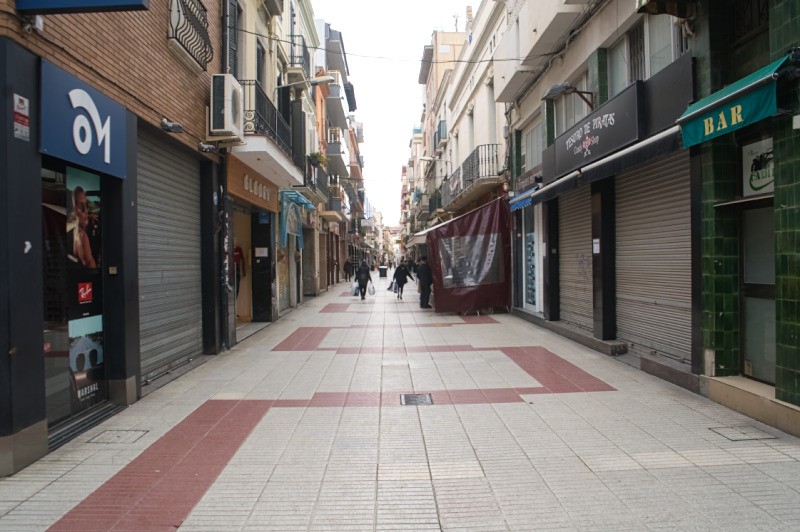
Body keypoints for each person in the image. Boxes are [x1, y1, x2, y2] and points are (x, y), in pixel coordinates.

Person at [68, 186, 97, 269]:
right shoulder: (82, 236)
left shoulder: (75, 231)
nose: (86, 210)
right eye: (82, 206)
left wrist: (90, 216)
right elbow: (92, 271)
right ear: (75, 210)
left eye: (87, 205)